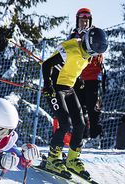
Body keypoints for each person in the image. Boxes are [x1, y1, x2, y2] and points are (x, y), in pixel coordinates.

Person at [42, 27, 108, 178]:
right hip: (55, 88)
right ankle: (53, 158)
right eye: (95, 49)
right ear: (89, 43)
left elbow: (73, 67)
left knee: (81, 124)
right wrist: (47, 86)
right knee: (64, 123)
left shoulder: (87, 55)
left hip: (68, 88)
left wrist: (78, 81)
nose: (94, 54)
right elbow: (46, 65)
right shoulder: (70, 49)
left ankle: (72, 159)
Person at [70, 8, 104, 140]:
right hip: (77, 76)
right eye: (81, 20)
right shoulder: (73, 36)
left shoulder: (95, 33)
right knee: (78, 107)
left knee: (93, 107)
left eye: (86, 20)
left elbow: (99, 53)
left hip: (92, 77)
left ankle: (95, 136)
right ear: (77, 21)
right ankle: (81, 135)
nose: (84, 23)